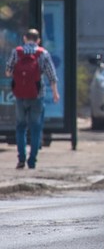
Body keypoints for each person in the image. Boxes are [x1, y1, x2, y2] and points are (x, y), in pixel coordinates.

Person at [6, 28, 59, 170]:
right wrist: (55, 93)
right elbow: (52, 75)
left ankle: (21, 159)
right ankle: (32, 160)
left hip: (19, 95)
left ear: (24, 38)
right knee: (35, 128)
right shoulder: (43, 53)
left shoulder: (16, 52)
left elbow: (8, 71)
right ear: (38, 40)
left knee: (20, 127)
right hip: (37, 94)